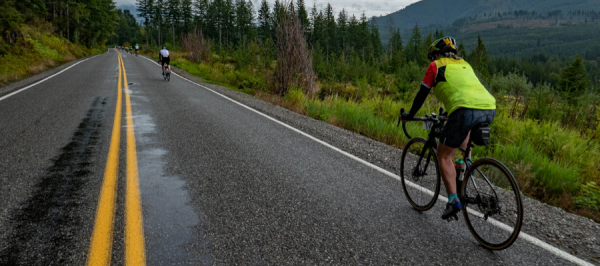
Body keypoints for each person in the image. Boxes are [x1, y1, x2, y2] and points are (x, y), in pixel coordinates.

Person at [401, 36, 496, 220]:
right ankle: (465, 166)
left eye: (433, 56)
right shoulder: (465, 65)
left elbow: (422, 94)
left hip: (464, 110)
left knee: (444, 155)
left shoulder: (435, 66)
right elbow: (464, 90)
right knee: (462, 141)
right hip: (488, 108)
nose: (432, 59)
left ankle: (453, 201)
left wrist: (410, 115)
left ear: (436, 54)